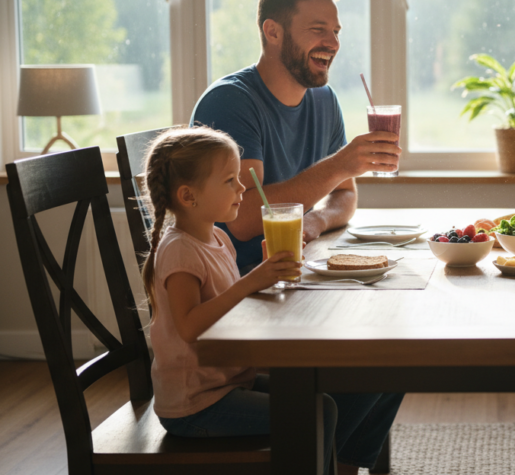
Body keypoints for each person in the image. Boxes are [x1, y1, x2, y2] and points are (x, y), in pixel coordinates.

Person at [141, 126, 403, 475]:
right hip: (196, 406)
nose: (242, 189)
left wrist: (265, 275)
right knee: (319, 412)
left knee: (324, 398)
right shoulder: (179, 251)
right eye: (230, 181)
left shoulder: (216, 238)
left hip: (229, 382)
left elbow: (228, 303)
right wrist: (251, 281)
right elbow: (190, 327)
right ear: (189, 196)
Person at [192, 0, 400, 273]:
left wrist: (317, 219)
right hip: (236, 286)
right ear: (273, 32)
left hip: (292, 272)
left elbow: (345, 195)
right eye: (318, 30)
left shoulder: (324, 99)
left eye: (336, 31)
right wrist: (339, 165)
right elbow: (242, 220)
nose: (333, 43)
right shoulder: (230, 102)